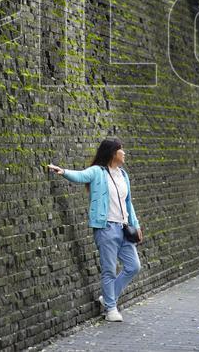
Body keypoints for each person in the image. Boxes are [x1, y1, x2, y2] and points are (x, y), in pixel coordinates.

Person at [47, 137, 142, 323]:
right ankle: (110, 308)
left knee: (133, 266)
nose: (124, 153)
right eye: (121, 149)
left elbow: (128, 203)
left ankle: (108, 297)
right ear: (113, 153)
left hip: (124, 228)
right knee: (109, 270)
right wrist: (63, 171)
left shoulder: (123, 174)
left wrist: (136, 225)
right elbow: (81, 176)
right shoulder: (98, 172)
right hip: (106, 227)